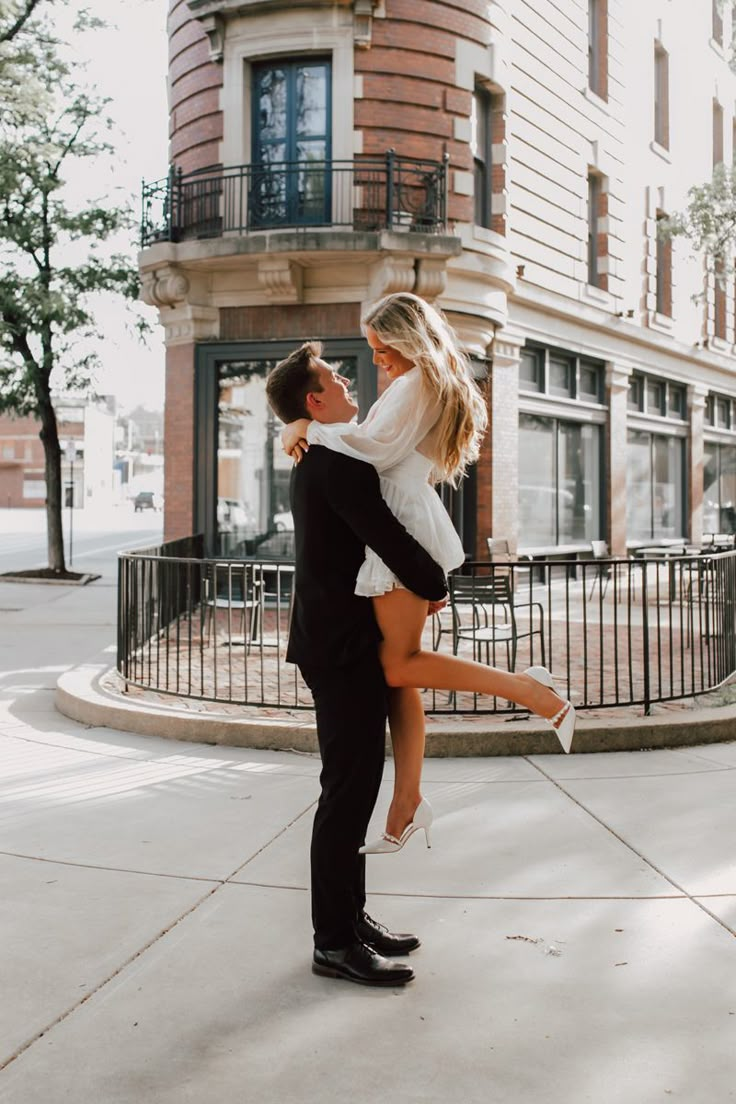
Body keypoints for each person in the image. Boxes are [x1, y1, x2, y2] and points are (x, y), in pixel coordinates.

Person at [281, 292, 575, 855]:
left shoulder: (415, 385)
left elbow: (370, 448)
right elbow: (372, 448)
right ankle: (407, 803)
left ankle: (531, 691)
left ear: (405, 337)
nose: (376, 360)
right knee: (400, 677)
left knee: (397, 664)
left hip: (401, 531)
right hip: (400, 524)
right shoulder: (417, 384)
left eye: (380, 347)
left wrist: (304, 429)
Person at [266, 341, 449, 988]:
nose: (349, 382)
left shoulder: (325, 453)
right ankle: (333, 942)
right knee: (345, 792)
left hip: (344, 643)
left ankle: (353, 915)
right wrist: (436, 583)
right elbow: (389, 537)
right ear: (315, 400)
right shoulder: (332, 463)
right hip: (339, 648)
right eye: (335, 378)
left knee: (357, 786)